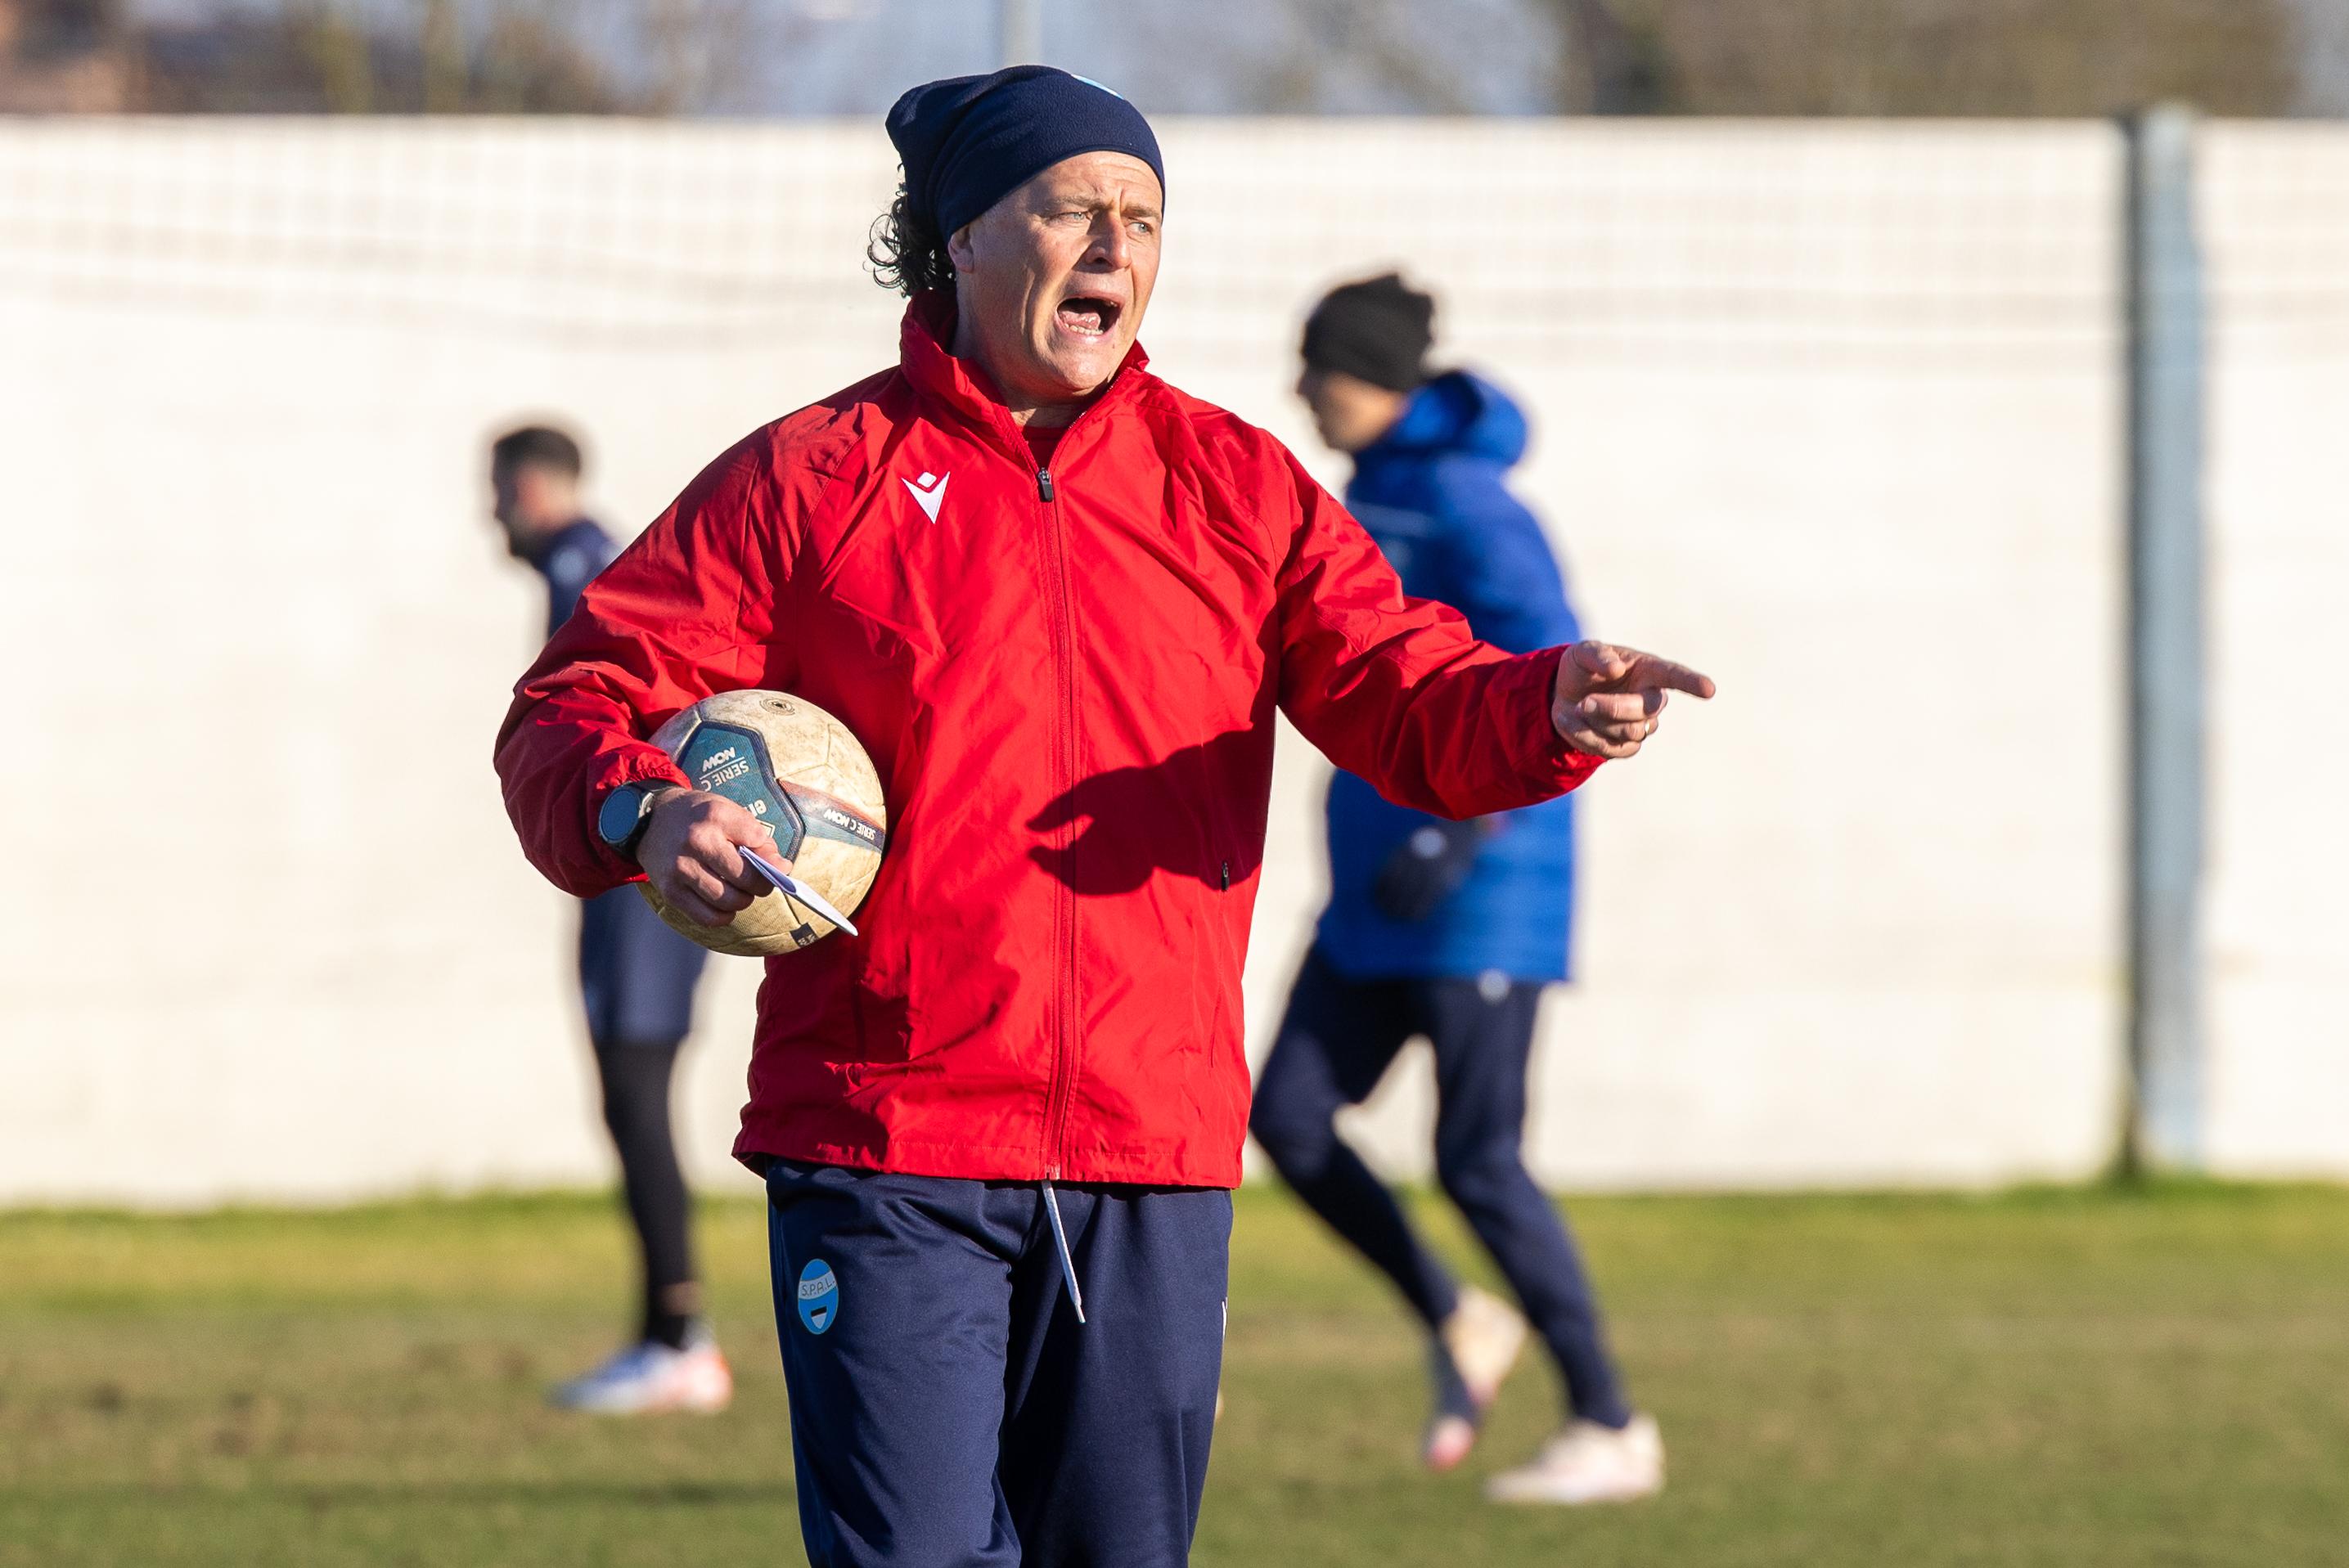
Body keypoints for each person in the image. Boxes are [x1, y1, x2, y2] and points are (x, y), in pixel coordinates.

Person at [493, 66, 1710, 1568]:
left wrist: (1539, 707)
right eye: (1068, 207)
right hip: (889, 1145)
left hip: (1151, 1148)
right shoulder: (808, 482)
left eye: (1141, 215)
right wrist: (635, 806)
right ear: (961, 241)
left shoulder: (1235, 485)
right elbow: (570, 708)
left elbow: (1404, 692)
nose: (1114, 245)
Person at [1249, 275, 1658, 1504]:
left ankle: (1607, 1420)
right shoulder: (1365, 496)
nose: (1298, 389)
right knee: (1286, 1116)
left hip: (1483, 893)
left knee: (1477, 1159)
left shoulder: (1471, 506)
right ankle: (1456, 1314)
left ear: (1364, 374)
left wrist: (1464, 834)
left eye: (1312, 366)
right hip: (1379, 894)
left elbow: (1562, 682)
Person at [487, 424, 730, 1416]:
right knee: (631, 1101)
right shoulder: (593, 562)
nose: (490, 514)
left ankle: (678, 1337)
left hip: (639, 880)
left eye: (497, 492)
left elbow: (617, 711)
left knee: (636, 1099)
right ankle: (668, 1331)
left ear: (532, 487)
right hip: (633, 875)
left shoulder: (586, 567)